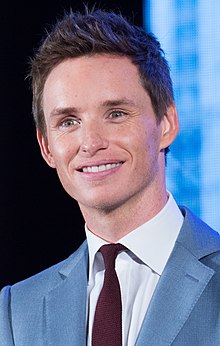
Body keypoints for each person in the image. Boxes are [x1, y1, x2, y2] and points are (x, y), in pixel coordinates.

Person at [0, 7, 220, 346]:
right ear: (46, 147)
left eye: (116, 113)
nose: (91, 143)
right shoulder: (18, 311)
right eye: (68, 122)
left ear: (167, 124)